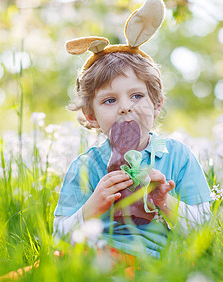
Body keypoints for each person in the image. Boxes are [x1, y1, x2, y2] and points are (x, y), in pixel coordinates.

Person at [53, 0, 212, 259]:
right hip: (92, 258)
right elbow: (58, 237)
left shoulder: (178, 157)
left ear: (157, 103)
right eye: (110, 100)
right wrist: (93, 206)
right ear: (91, 115)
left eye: (136, 95)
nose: (125, 107)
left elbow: (206, 229)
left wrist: (164, 201)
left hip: (153, 264)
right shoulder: (85, 167)